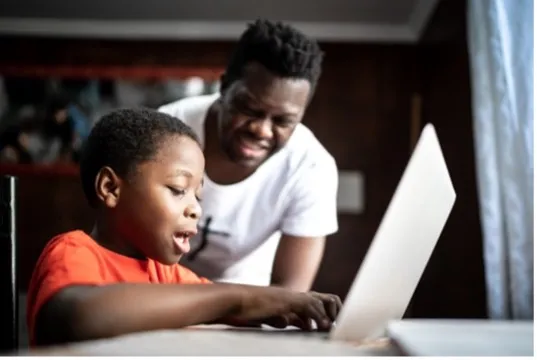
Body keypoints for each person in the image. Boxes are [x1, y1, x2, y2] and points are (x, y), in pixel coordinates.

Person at [26, 108, 341, 347]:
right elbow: (77, 318)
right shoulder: (74, 251)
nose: (195, 208)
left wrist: (287, 304)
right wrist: (238, 299)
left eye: (198, 195)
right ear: (110, 188)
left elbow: (224, 304)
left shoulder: (164, 273)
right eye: (178, 189)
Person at [158, 19, 338, 291]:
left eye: (283, 121)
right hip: (155, 290)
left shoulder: (311, 167)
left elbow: (290, 291)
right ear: (224, 87)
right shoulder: (164, 129)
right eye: (249, 109)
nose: (262, 130)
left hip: (246, 301)